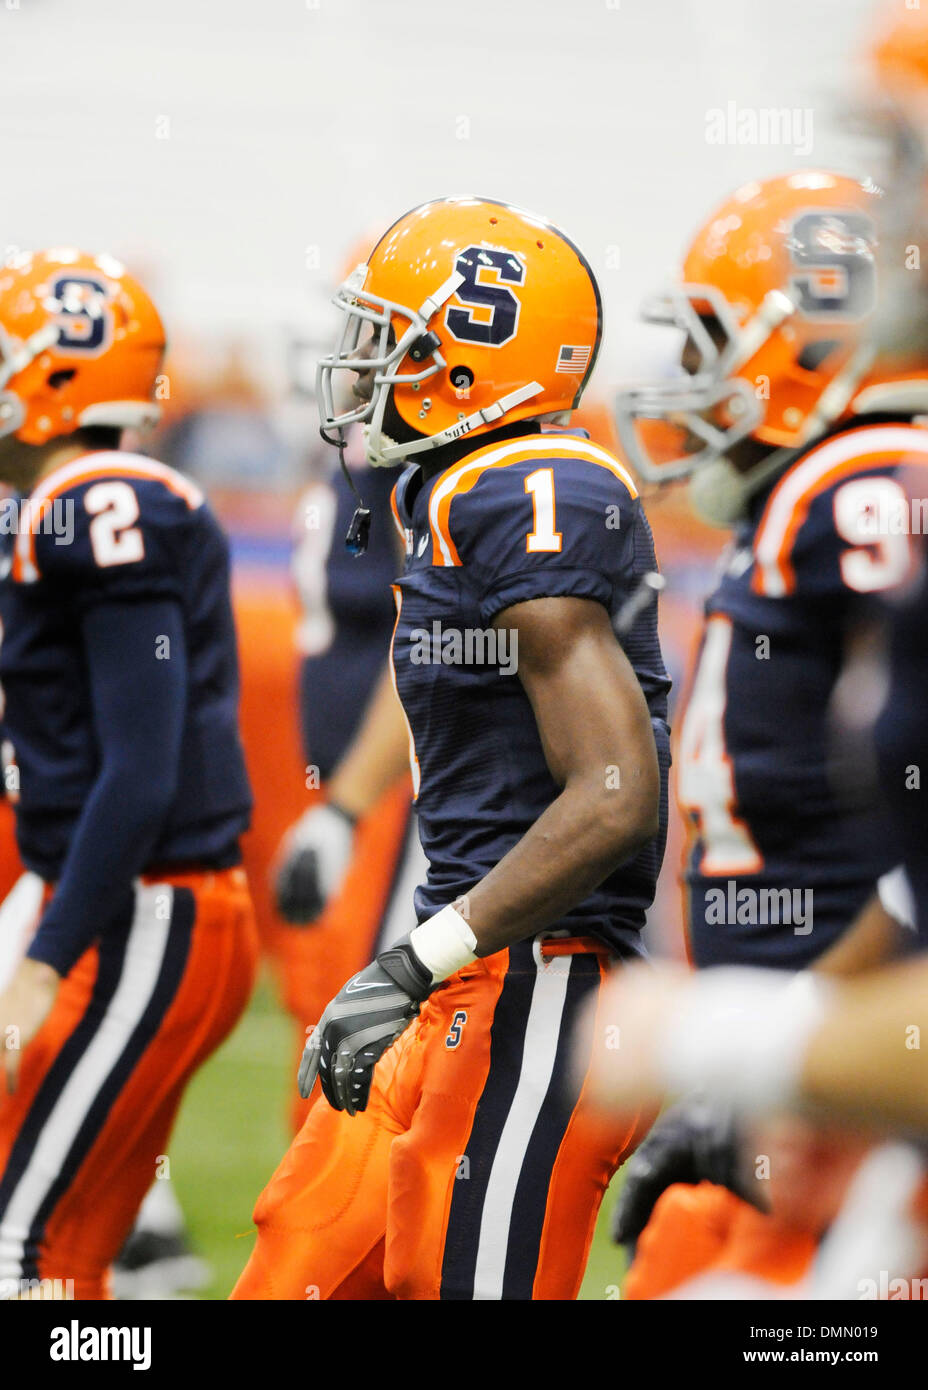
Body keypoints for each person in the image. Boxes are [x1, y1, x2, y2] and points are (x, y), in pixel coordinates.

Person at [232, 196, 670, 1301]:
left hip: (539, 975)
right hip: (471, 962)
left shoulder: (532, 486)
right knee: (300, 1262)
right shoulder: (459, 489)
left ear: (467, 361)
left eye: (394, 339)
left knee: (459, 1278)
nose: (366, 363)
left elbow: (615, 791)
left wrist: (406, 958)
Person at [611, 169, 928, 1296]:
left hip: (854, 1064)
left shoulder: (853, 485)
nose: (690, 381)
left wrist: (774, 1044)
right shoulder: (818, 486)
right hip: (808, 1042)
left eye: (712, 343)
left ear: (801, 344)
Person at [0, 250, 257, 1299]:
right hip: (129, 907)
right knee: (62, 1261)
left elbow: (142, 769)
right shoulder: (66, 501)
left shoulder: (103, 503)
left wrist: (44, 959)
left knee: (19, 1250)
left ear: (56, 376)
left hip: (147, 915)